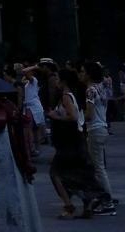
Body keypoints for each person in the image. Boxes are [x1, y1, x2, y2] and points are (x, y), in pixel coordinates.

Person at [47, 68, 104, 219]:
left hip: (70, 141)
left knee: (55, 173)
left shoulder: (66, 97)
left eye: (58, 79)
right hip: (75, 140)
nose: (56, 82)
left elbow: (73, 116)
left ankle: (69, 205)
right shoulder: (73, 95)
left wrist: (55, 116)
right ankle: (87, 206)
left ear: (64, 81)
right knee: (80, 172)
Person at [83, 62, 116, 214]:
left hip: (95, 128)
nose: (81, 74)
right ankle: (102, 197)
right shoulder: (101, 88)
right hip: (102, 127)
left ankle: (107, 202)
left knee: (98, 168)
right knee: (99, 167)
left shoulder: (90, 90)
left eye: (83, 71)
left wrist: (78, 115)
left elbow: (89, 114)